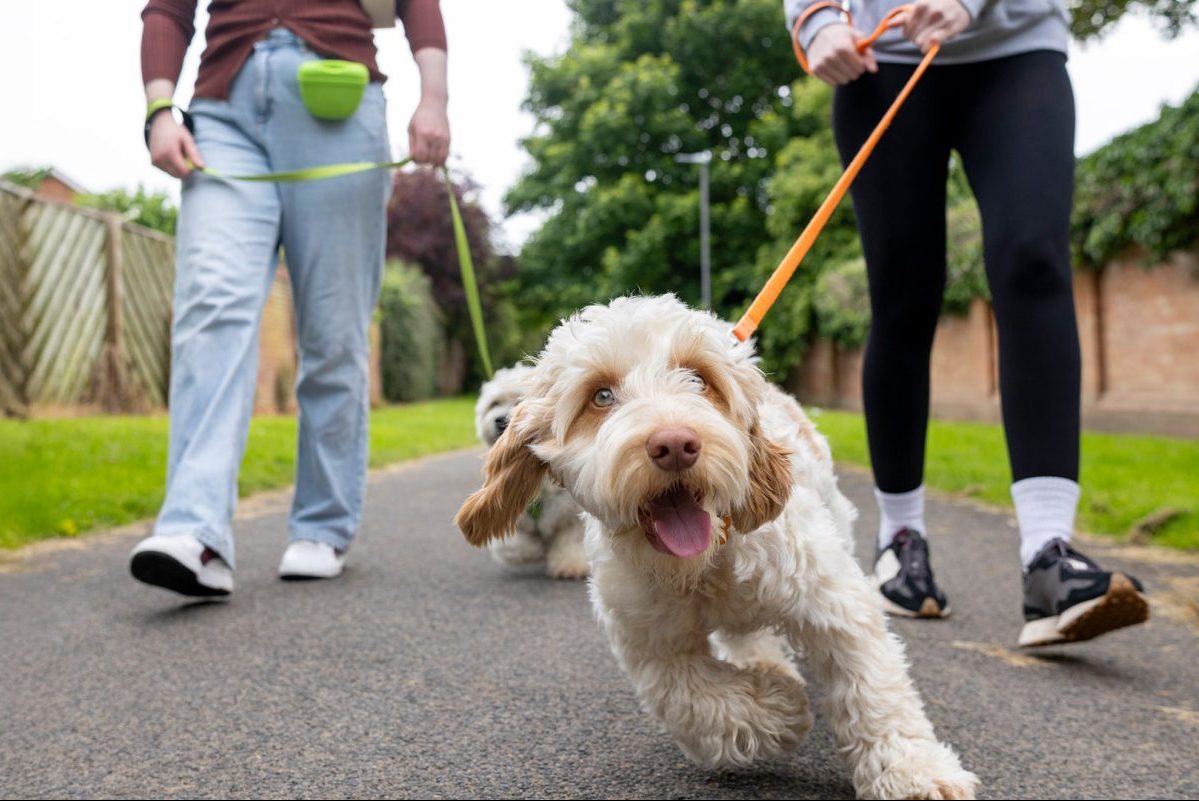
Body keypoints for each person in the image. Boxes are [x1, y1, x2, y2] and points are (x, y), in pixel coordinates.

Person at [784, 0, 1149, 646]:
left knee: (1033, 260)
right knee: (902, 293)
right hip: (881, 57)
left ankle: (1048, 556)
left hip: (1016, 44)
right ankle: (900, 542)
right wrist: (814, 18)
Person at [129, 0, 449, 597]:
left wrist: (433, 99)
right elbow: (167, 9)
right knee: (212, 310)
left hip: (339, 103)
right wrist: (158, 108)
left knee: (334, 332)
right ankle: (194, 533)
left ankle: (322, 526)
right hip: (222, 113)